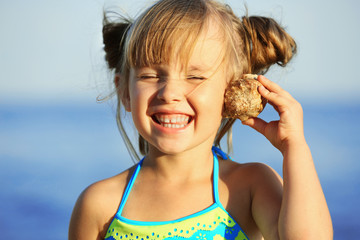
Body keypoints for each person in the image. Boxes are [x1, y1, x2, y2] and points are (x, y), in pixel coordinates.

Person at [69, 0, 333, 239]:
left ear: (232, 92)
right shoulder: (100, 204)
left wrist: (294, 147)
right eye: (150, 76)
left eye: (195, 76)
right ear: (125, 91)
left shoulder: (250, 186)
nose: (169, 93)